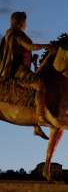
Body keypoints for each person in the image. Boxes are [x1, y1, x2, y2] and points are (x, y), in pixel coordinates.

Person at [0, 11, 53, 140]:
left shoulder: (11, 34)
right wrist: (48, 46)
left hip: (20, 67)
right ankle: (40, 117)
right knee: (41, 84)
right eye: (25, 21)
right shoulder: (16, 34)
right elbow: (31, 46)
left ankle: (35, 126)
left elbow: (22, 51)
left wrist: (31, 59)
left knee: (35, 84)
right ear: (20, 22)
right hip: (18, 70)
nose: (26, 24)